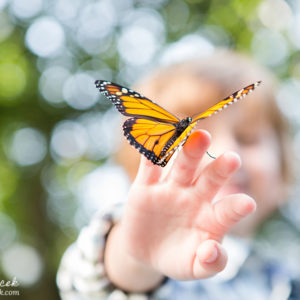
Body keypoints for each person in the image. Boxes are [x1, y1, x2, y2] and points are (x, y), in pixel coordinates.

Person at [56, 50, 297, 300]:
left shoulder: (285, 280)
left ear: (282, 170)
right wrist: (134, 255)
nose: (227, 150)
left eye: (248, 139)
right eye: (192, 141)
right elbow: (90, 283)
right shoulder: (161, 274)